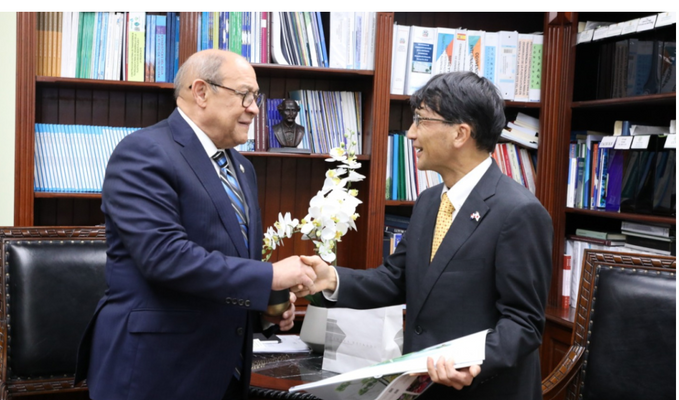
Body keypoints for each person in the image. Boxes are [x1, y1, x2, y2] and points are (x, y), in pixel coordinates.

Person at [74, 49, 316, 400]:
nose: (254, 108)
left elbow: (230, 265)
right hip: (155, 372)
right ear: (201, 92)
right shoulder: (143, 151)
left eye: (256, 97)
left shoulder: (242, 168)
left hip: (223, 372)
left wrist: (262, 308)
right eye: (244, 95)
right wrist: (270, 276)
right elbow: (164, 256)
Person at [297, 71, 553, 399]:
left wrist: (472, 363)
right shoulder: (430, 201)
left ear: (460, 133)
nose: (410, 133)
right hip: (422, 388)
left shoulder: (519, 212)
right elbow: (395, 279)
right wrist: (331, 279)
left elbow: (523, 322)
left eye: (421, 120)